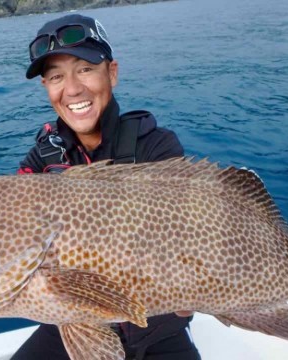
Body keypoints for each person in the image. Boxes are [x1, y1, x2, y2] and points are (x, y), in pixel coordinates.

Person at [13, 14, 201, 360]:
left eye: (85, 69)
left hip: (154, 326)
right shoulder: (40, 161)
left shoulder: (155, 147)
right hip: (72, 322)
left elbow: (179, 240)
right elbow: (11, 232)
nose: (72, 89)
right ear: (47, 89)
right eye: (56, 77)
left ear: (111, 72)